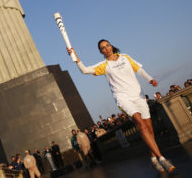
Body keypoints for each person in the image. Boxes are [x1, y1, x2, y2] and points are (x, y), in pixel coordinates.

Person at [68, 39, 176, 173]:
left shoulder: (125, 57)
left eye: (107, 45)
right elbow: (84, 70)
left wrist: (150, 79)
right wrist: (75, 56)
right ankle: (162, 159)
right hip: (123, 98)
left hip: (138, 96)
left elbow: (139, 70)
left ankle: (153, 158)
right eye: (103, 48)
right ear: (101, 52)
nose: (106, 48)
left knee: (149, 130)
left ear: (111, 46)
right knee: (140, 124)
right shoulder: (104, 65)